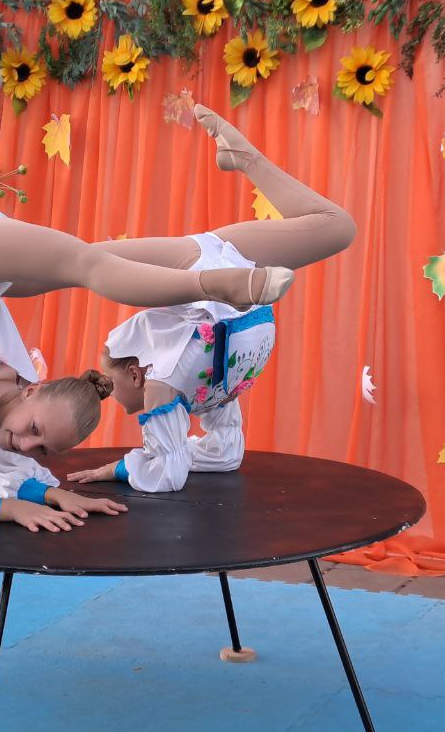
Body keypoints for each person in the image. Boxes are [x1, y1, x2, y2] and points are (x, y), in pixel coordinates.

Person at [0, 64, 295, 531]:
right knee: (88, 264)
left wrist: (54, 494)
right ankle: (215, 285)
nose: (27, 445)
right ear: (34, 390)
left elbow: (3, 465)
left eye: (43, 449)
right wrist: (12, 509)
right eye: (36, 433)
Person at [64, 106, 355, 492]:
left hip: (212, 276)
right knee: (338, 227)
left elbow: (168, 474)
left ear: (135, 373)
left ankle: (225, 280)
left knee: (79, 259)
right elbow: (224, 456)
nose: (117, 402)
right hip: (228, 271)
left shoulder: (163, 388)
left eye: (114, 391)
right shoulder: (203, 393)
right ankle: (242, 157)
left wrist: (119, 469)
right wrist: (144, 460)